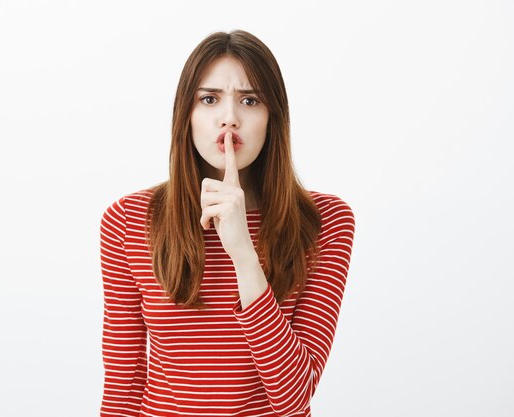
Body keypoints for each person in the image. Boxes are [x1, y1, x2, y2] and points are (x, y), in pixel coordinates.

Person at [99, 29, 356, 417]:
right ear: (186, 114)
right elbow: (124, 384)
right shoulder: (129, 220)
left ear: (273, 117)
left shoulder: (326, 222)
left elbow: (294, 397)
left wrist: (243, 254)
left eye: (250, 100)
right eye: (209, 99)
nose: (230, 118)